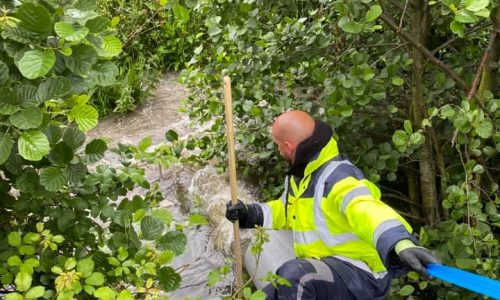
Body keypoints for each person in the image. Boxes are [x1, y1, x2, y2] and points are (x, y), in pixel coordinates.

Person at [225, 110, 441, 300]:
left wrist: (400, 243)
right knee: (272, 292)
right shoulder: (302, 175)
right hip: (329, 268)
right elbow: (285, 211)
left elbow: (366, 209)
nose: (278, 151)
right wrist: (249, 214)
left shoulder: (338, 177)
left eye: (278, 146)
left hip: (362, 275)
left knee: (297, 277)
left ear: (288, 147)